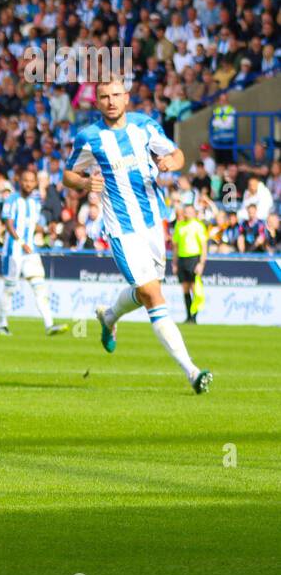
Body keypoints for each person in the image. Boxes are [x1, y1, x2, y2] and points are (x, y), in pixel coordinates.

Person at [63, 79, 212, 393]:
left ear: (127, 97)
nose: (111, 101)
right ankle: (192, 372)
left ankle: (109, 316)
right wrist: (86, 184)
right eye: (104, 96)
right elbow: (68, 175)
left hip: (154, 224)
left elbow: (177, 155)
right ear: (98, 102)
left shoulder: (145, 126)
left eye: (116, 95)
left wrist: (173, 161)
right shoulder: (89, 138)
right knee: (154, 297)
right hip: (121, 229)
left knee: (147, 292)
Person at [0, 167, 68, 336]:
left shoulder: (34, 203)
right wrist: (21, 242)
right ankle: (2, 324)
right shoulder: (12, 200)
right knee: (10, 288)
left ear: (35, 183)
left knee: (40, 287)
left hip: (30, 251)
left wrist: (45, 228)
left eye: (31, 181)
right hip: (13, 251)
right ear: (20, 182)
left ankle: (49, 325)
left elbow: (32, 225)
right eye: (25, 180)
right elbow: (9, 224)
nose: (28, 184)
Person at [171, 204, 208, 323]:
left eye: (189, 212)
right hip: (182, 259)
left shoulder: (198, 226)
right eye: (185, 211)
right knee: (185, 288)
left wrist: (201, 263)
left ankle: (194, 317)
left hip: (193, 259)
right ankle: (188, 316)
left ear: (194, 213)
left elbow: (203, 246)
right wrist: (174, 263)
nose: (187, 214)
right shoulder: (179, 225)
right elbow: (175, 246)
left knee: (195, 288)